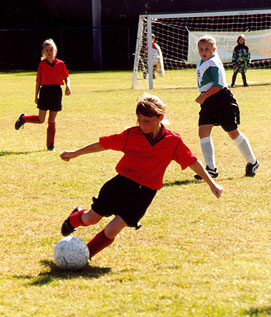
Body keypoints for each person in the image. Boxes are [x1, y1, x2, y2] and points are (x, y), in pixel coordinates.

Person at [59, 93, 223, 260]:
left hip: (145, 193)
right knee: (91, 219)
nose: (142, 125)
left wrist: (212, 184)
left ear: (160, 117)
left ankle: (82, 256)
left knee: (113, 229)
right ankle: (73, 219)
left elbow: (192, 162)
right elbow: (103, 145)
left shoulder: (173, 141)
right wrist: (75, 153)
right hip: (120, 186)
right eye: (140, 120)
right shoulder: (131, 135)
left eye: (147, 121)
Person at [194, 35, 259, 180]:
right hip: (209, 101)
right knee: (203, 131)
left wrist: (203, 97)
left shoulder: (213, 63)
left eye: (207, 49)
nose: (204, 52)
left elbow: (218, 85)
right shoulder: (203, 60)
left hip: (221, 99)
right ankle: (211, 168)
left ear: (214, 49)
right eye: (201, 49)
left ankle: (252, 162)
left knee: (232, 132)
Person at [15, 38, 71, 151]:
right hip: (45, 92)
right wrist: (36, 95)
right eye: (46, 50)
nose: (49, 52)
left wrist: (68, 86)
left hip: (56, 92)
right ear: (43, 52)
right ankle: (24, 119)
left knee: (52, 120)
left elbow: (66, 76)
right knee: (41, 119)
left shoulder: (60, 64)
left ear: (55, 50)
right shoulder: (42, 65)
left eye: (51, 49)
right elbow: (38, 81)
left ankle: (51, 146)